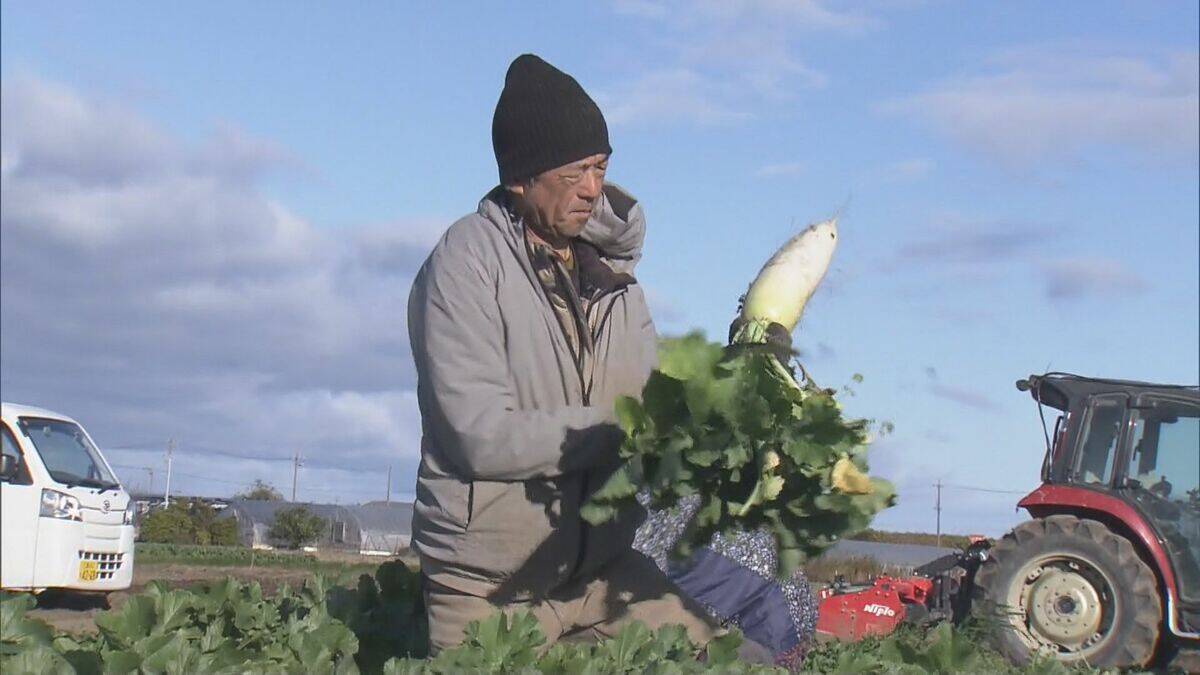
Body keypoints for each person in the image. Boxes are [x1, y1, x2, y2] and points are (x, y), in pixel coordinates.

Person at [407, 53, 767, 659]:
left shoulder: (614, 279)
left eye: (600, 167)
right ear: (522, 178)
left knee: (736, 661)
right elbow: (480, 435)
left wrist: (729, 407)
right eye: (576, 172)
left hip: (603, 573)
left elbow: (659, 399)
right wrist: (617, 431)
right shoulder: (465, 265)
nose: (594, 189)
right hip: (489, 588)